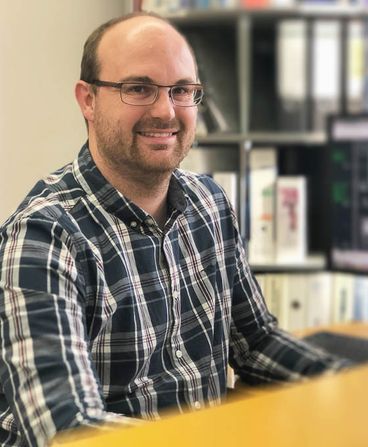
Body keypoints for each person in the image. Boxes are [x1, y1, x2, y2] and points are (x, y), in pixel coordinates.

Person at [0, 11, 351, 447]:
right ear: (88, 100)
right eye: (138, 88)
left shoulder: (210, 202)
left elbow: (255, 340)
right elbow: (66, 430)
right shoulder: (45, 236)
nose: (166, 111)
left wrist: (344, 384)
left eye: (182, 90)